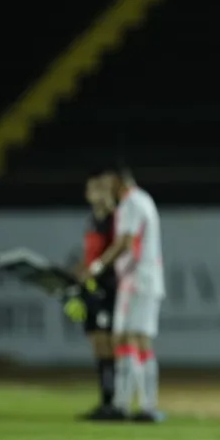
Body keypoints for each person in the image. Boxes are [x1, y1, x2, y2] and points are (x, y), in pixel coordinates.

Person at [81, 168, 164, 423]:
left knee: (124, 339)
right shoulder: (145, 199)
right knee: (141, 341)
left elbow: (126, 242)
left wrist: (97, 266)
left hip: (135, 280)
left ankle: (124, 404)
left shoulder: (129, 204)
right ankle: (145, 404)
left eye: (108, 183)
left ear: (118, 182)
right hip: (150, 278)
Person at [76, 173, 120, 420]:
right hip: (91, 288)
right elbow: (89, 256)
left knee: (108, 342)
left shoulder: (115, 220)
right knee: (96, 342)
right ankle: (105, 399)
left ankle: (113, 399)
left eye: (102, 189)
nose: (99, 193)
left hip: (109, 287)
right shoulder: (92, 221)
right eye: (94, 189)